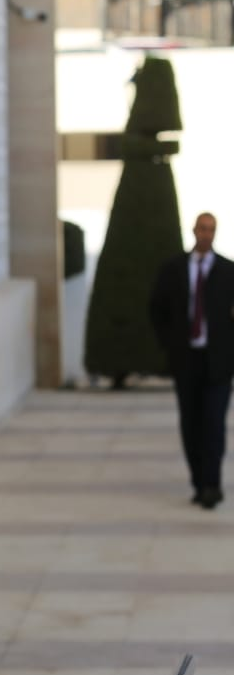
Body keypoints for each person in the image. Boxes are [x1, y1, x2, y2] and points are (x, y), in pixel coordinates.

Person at [150, 212, 234, 510]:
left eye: (211, 229)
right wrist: (169, 345)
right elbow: (157, 309)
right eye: (202, 228)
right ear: (194, 230)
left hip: (219, 362)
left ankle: (212, 484)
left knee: (214, 424)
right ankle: (199, 482)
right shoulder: (173, 269)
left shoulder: (228, 271)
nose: (206, 234)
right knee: (191, 424)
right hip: (186, 360)